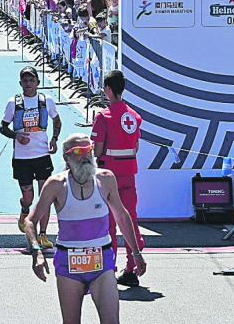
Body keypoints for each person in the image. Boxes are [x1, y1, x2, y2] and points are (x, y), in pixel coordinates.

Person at [25, 134, 146, 324]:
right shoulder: (56, 184)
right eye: (79, 152)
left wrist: (136, 254)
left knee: (112, 321)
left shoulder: (105, 179)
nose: (86, 156)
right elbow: (30, 221)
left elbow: (122, 217)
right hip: (68, 261)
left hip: (102, 260)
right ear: (66, 157)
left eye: (88, 150)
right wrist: (36, 252)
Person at [91, 70, 145, 288]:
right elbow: (136, 146)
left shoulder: (103, 116)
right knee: (131, 220)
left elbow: (97, 150)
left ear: (108, 90)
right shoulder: (133, 115)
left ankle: (108, 268)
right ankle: (132, 267)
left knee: (109, 223)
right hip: (129, 174)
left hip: (108, 176)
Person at [0, 66, 62, 249]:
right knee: (29, 196)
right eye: (25, 81)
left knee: (45, 196)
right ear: (20, 83)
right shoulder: (14, 103)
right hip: (21, 158)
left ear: (38, 83)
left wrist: (54, 139)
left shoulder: (46, 100)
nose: (28, 84)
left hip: (42, 155)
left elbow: (56, 120)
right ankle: (24, 209)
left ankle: (42, 234)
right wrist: (16, 136)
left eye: (31, 80)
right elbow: (2, 127)